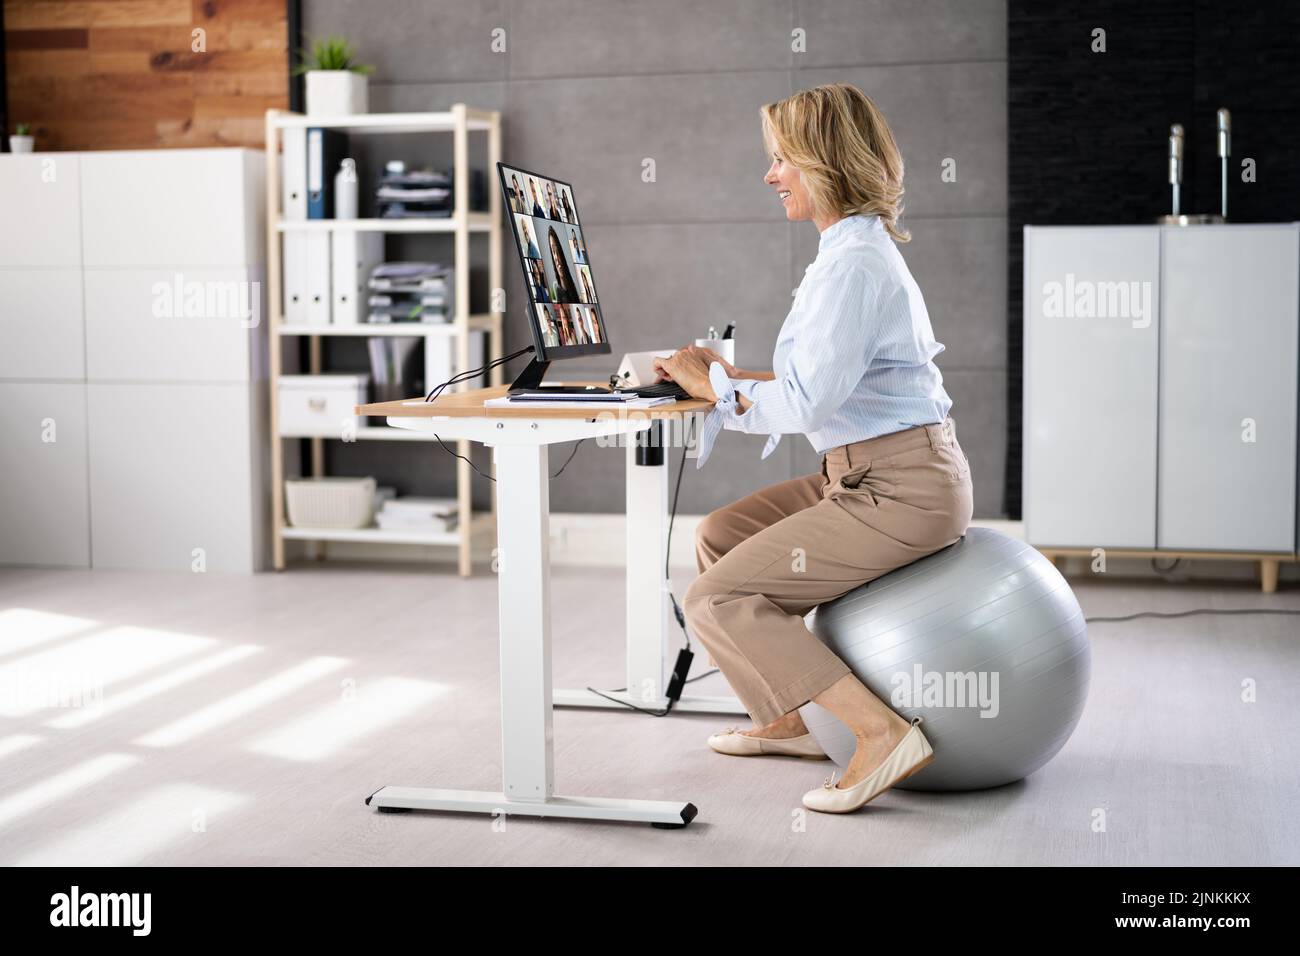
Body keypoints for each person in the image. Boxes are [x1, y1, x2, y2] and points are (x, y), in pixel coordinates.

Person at [652, 83, 972, 815]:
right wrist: (721, 378)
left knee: (717, 597)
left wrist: (717, 389)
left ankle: (880, 733)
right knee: (719, 536)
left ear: (826, 163)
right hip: (860, 473)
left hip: (901, 488)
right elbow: (813, 380)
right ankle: (790, 719)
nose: (771, 176)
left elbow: (804, 404)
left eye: (781, 160)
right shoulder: (845, 252)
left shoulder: (856, 264)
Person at [546, 227, 581, 303]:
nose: (556, 257)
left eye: (557, 249)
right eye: (553, 251)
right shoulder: (558, 292)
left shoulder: (572, 286)